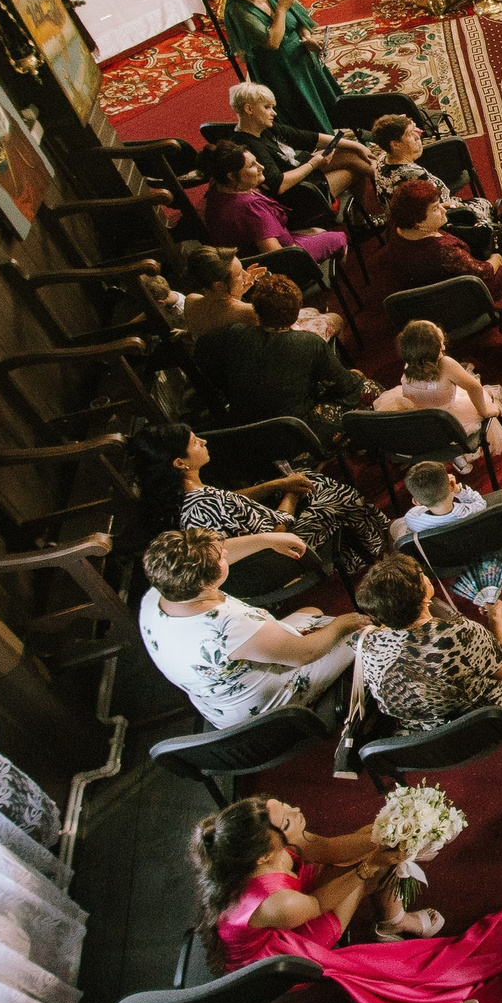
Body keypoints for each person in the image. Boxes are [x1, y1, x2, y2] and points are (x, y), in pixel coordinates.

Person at [194, 794, 502, 1003]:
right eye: (287, 818)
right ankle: (394, 922)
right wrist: (372, 864)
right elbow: (318, 903)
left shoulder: (275, 847)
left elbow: (332, 848)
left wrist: (393, 826)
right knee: (368, 871)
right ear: (263, 856)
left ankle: (391, 918)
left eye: (284, 807)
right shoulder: (278, 903)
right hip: (282, 954)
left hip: (298, 909)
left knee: (371, 855)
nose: (296, 809)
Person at [136, 526, 367, 727]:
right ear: (206, 582)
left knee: (312, 613)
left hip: (218, 704)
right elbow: (303, 654)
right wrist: (341, 624)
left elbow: (215, 551)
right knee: (360, 631)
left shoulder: (160, 592)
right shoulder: (230, 626)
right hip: (260, 709)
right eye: (221, 558)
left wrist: (268, 540)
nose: (225, 551)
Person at [134, 420, 395, 582]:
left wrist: (278, 484)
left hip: (244, 568)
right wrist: (290, 494)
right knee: (333, 495)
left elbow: (231, 502)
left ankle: (358, 549)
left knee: (306, 479)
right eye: (195, 443)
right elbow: (278, 531)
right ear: (180, 463)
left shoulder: (179, 499)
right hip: (276, 557)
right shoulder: (208, 500)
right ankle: (377, 546)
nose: (203, 441)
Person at [351, 552, 502, 732]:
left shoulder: (365, 644)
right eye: (422, 575)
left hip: (429, 731)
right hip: (486, 716)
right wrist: (496, 619)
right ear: (422, 599)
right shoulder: (459, 634)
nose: (426, 577)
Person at [372, 180, 502, 345]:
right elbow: (483, 271)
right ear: (418, 222)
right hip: (456, 300)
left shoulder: (397, 226)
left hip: (420, 298)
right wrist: (496, 258)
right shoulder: (443, 251)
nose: (443, 209)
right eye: (436, 208)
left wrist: (436, 208)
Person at [196, 274, 376, 444]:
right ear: (297, 312)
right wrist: (356, 376)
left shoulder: (235, 333)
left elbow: (201, 348)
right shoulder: (309, 343)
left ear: (257, 311)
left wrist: (225, 385)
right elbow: (345, 385)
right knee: (369, 389)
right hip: (295, 436)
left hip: (246, 433)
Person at [221, 0, 347, 132]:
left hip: (302, 57)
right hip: (278, 70)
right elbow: (273, 42)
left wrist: (307, 37)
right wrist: (281, 9)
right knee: (304, 115)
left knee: (327, 103)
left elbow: (297, 18)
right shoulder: (238, 9)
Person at [370, 113, 502, 259]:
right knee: (483, 206)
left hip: (404, 222)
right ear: (395, 144)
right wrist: (452, 205)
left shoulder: (383, 158)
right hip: (434, 220)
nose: (418, 136)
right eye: (410, 134)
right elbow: (433, 207)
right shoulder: (414, 175)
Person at [226, 82, 374, 223]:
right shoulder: (249, 146)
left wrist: (357, 146)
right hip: (299, 193)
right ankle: (367, 213)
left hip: (303, 169)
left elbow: (310, 138)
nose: (274, 113)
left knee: (350, 152)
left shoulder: (264, 128)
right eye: (267, 107)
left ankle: (386, 181)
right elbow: (279, 185)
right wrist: (313, 164)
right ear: (249, 109)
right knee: (355, 168)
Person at [376, 318, 502, 468]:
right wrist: (484, 410)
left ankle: (453, 456)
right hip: (447, 422)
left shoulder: (411, 362)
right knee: (488, 397)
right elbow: (474, 387)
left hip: (418, 421)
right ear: (440, 346)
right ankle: (457, 452)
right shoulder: (446, 364)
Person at [393, 461, 502, 606]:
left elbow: (409, 522)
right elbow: (480, 502)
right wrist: (459, 490)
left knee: (396, 525)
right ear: (450, 486)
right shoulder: (472, 510)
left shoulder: (412, 518)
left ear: (416, 502)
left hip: (444, 563)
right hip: (489, 547)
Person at [199, 141, 346, 265]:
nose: (261, 167)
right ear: (231, 176)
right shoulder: (249, 207)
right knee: (339, 238)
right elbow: (279, 257)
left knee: (320, 231)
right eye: (252, 166)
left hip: (263, 248)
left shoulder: (218, 186)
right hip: (280, 257)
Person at [179, 245, 344, 342]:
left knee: (313, 311)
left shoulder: (191, 300)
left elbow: (218, 312)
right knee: (334, 318)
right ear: (219, 286)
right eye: (238, 275)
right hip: (269, 358)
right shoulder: (248, 312)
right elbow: (282, 336)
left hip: (226, 366)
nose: (245, 275)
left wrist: (237, 291)